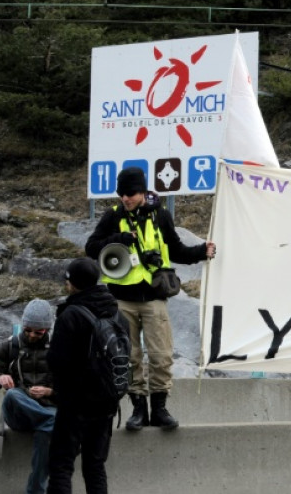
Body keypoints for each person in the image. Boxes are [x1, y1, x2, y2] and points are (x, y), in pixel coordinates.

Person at [85, 166, 215, 431]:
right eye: (122, 194)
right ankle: (137, 410)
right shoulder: (113, 216)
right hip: (121, 299)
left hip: (155, 297)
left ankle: (160, 409)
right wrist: (119, 238)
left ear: (143, 191)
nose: (126, 199)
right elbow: (91, 248)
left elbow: (176, 249)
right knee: (129, 356)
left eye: (131, 193)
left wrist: (202, 251)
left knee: (161, 355)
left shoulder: (161, 215)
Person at [47, 257, 128, 494]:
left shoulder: (71, 314)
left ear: (72, 283)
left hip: (75, 404)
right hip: (107, 404)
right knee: (95, 466)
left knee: (61, 464)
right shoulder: (117, 315)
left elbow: (56, 361)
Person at [0, 298, 58, 494]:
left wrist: (50, 392)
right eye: (28, 330)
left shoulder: (59, 349)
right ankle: (55, 420)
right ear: (23, 325)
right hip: (19, 413)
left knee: (47, 428)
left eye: (39, 332)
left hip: (47, 408)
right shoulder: (10, 346)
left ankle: (35, 491)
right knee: (12, 395)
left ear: (47, 330)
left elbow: (74, 388)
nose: (32, 335)